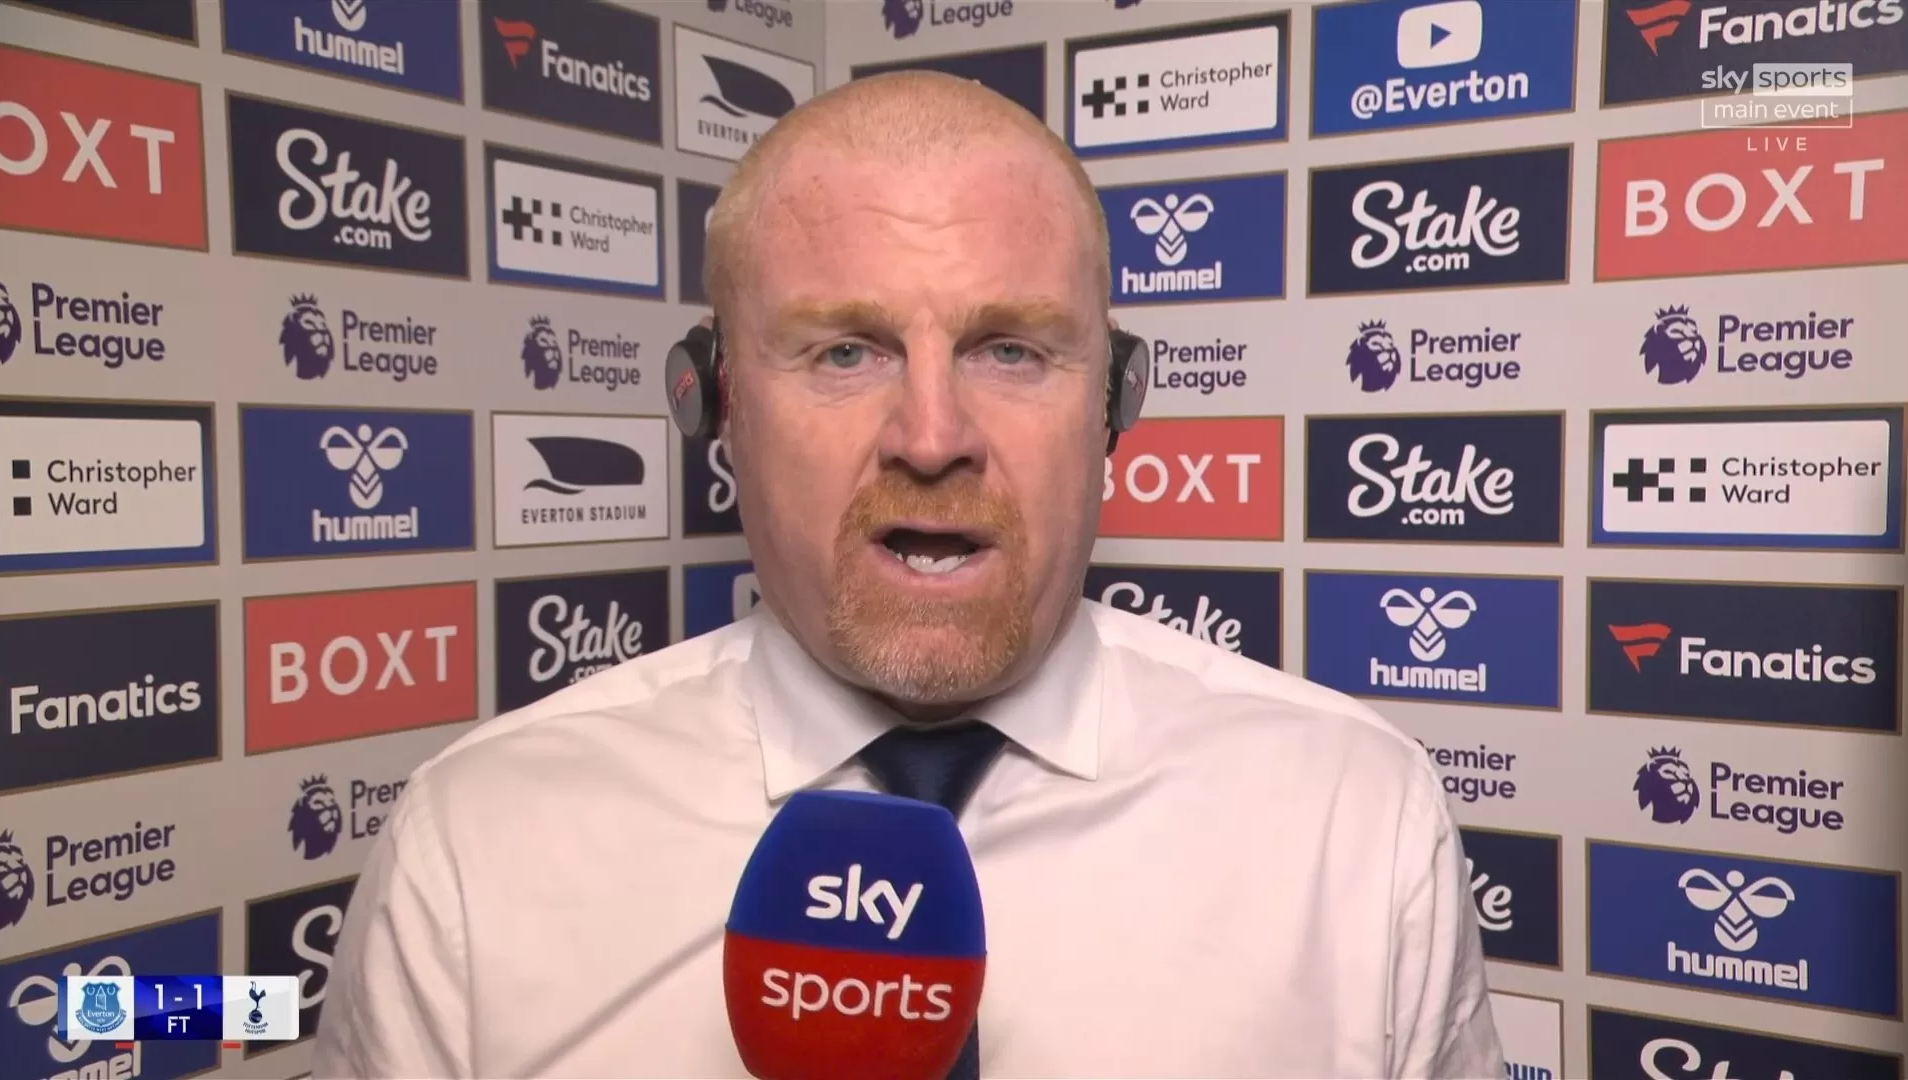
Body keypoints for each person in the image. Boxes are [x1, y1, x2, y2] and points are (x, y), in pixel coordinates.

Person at [311, 71, 1505, 1079]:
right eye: (845, 351)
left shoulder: (1353, 819)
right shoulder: (475, 851)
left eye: (1010, 350)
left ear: (1114, 401)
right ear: (714, 403)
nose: (932, 437)